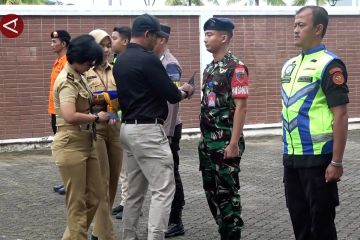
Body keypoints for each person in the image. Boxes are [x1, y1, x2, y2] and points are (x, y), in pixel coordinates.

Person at [113, 13, 194, 240]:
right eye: (156, 36)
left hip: (128, 129)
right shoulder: (148, 60)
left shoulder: (120, 61)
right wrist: (186, 90)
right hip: (148, 131)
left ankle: (129, 236)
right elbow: (171, 95)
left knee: (134, 192)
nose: (158, 41)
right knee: (163, 189)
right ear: (148, 34)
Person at [281, 6, 349, 240]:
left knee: (321, 226)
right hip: (291, 157)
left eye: (301, 25)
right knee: (299, 223)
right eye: (294, 25)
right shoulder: (289, 66)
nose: (295, 30)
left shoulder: (330, 65)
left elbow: (340, 115)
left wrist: (337, 161)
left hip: (318, 159)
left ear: (318, 29)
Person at [51, 34, 110, 240]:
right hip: (70, 144)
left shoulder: (79, 75)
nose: (90, 66)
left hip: (86, 140)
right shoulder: (67, 81)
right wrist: (96, 117)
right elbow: (69, 115)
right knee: (77, 204)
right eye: (89, 62)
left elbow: (84, 99)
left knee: (95, 196)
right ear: (82, 59)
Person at [198, 17, 249, 240]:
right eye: (206, 34)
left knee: (227, 193)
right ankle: (223, 232)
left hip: (226, 142)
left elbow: (241, 107)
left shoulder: (236, 68)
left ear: (224, 37)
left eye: (210, 34)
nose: (205, 39)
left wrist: (234, 143)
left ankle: (232, 235)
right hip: (208, 142)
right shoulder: (209, 68)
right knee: (211, 192)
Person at [86, 29, 123, 240]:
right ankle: (105, 234)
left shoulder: (115, 70)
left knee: (113, 182)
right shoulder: (84, 71)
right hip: (95, 129)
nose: (107, 49)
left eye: (109, 45)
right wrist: (99, 99)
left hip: (115, 128)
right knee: (101, 183)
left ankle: (98, 230)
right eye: (102, 45)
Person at [153, 24, 185, 238]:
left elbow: (172, 103)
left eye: (154, 38)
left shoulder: (170, 64)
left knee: (171, 174)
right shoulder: (155, 62)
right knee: (163, 175)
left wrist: (167, 132)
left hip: (168, 127)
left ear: (162, 40)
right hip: (159, 126)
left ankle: (176, 220)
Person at [110, 26, 131, 220]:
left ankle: (130, 204)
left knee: (129, 167)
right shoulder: (116, 60)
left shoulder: (129, 62)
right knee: (123, 168)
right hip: (119, 120)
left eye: (114, 39)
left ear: (125, 41)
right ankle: (125, 201)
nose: (111, 42)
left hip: (130, 121)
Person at [49, 30, 71, 196]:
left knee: (66, 147)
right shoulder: (57, 61)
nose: (52, 44)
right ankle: (66, 180)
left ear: (63, 44)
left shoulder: (67, 62)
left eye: (54, 41)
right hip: (54, 110)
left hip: (63, 112)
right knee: (61, 148)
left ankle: (70, 182)